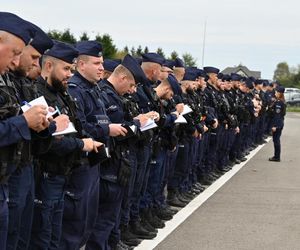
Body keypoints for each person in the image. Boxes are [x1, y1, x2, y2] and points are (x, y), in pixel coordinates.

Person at [269, 85, 286, 162]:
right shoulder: (279, 101)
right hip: (279, 123)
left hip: (278, 124)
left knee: (276, 140)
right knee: (276, 140)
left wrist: (275, 126)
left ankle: (277, 157)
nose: (275, 93)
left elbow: (277, 115)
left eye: (276, 92)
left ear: (279, 93)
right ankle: (276, 156)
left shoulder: (279, 103)